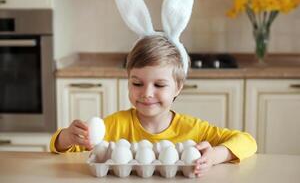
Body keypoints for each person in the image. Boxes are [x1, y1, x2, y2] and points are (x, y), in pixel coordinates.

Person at [50, 35, 257, 177]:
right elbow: (61, 147)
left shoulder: (194, 130)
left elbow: (248, 142)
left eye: (159, 85)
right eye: (137, 83)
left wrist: (215, 155)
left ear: (178, 88)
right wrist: (67, 137)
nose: (147, 93)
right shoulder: (115, 125)